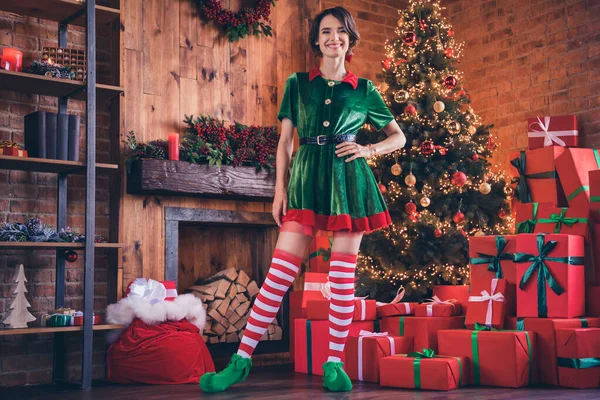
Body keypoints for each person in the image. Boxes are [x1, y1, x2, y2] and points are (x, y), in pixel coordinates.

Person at [200, 6, 406, 393]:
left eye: (341, 31)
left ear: (350, 39)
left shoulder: (365, 90)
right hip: (306, 181)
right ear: (316, 40)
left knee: (342, 281)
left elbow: (399, 136)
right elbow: (284, 142)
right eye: (326, 31)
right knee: (277, 279)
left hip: (349, 186)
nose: (334, 37)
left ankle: (333, 364)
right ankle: (241, 361)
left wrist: (368, 151)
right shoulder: (297, 83)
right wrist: (279, 190)